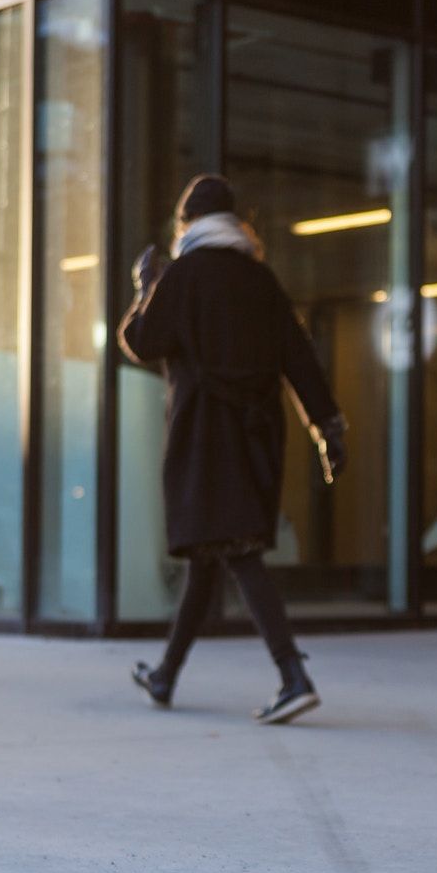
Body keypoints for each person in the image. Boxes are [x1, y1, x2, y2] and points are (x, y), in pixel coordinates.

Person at [117, 174, 347, 725]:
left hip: (204, 439)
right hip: (257, 435)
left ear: (187, 223)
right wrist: (327, 429)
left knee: (236, 550)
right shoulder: (261, 280)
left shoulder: (185, 275)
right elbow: (301, 361)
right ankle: (166, 675)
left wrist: (146, 288)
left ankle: (293, 675)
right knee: (209, 555)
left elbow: (142, 344)